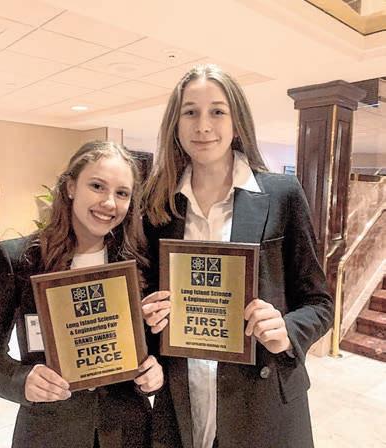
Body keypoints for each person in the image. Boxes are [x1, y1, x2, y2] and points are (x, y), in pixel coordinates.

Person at [141, 64, 334, 448]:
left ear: (237, 122)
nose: (203, 126)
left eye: (217, 111)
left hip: (262, 404)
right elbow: (146, 297)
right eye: (190, 112)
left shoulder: (282, 194)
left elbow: (320, 303)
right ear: (175, 124)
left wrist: (287, 331)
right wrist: (148, 315)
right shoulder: (158, 206)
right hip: (182, 401)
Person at [0, 141, 163, 448]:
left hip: (128, 431)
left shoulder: (141, 263)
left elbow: (154, 348)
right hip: (48, 431)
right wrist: (21, 380)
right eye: (97, 186)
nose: (109, 202)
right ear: (71, 187)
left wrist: (156, 371)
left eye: (122, 193)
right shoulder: (18, 259)